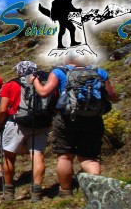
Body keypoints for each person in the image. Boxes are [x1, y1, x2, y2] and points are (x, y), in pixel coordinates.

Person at [30, 54, 118, 198]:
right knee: (89, 158)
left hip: (66, 119)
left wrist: (35, 82)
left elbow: (44, 93)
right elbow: (112, 96)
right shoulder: (99, 72)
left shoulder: (59, 72)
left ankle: (66, 191)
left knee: (65, 157)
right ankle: (96, 188)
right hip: (93, 119)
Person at [0, 61, 51, 202]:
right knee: (37, 156)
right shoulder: (45, 82)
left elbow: (2, 109)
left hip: (17, 124)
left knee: (9, 157)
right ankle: (36, 192)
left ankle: (8, 192)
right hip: (40, 123)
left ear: (19, 71)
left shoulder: (11, 84)